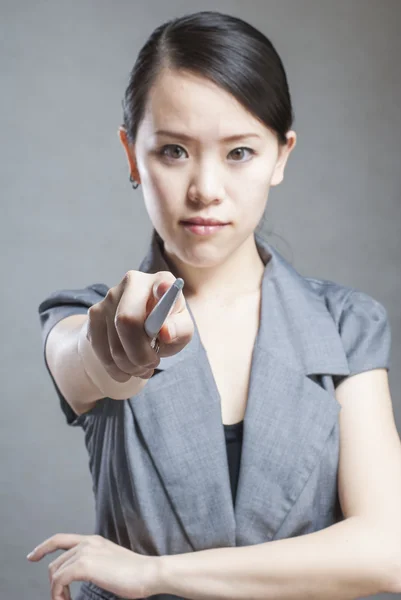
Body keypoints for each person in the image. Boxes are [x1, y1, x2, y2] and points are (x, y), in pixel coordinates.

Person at [28, 10, 401, 600]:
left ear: (282, 155)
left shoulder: (347, 326)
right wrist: (118, 350)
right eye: (173, 150)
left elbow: (387, 550)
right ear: (131, 154)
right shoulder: (84, 314)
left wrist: (155, 574)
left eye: (240, 153)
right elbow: (88, 354)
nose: (205, 188)